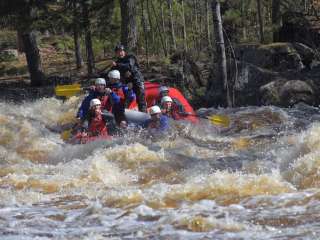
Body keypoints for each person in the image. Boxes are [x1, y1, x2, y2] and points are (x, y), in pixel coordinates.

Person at [111, 44, 147, 113]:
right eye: (118, 52)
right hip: (128, 83)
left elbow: (129, 66)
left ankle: (144, 115)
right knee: (126, 99)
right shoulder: (117, 62)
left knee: (140, 99)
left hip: (137, 80)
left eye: (121, 51)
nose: (120, 53)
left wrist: (117, 65)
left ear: (124, 51)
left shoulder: (130, 57)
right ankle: (124, 115)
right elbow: (111, 73)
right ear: (116, 53)